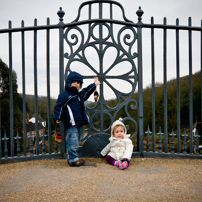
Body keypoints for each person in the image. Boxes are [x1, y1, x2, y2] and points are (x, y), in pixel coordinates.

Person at [53, 71, 101, 167]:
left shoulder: (79, 95)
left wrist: (94, 84)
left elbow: (87, 91)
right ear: (69, 82)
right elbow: (59, 106)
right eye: (75, 82)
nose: (77, 84)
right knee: (73, 140)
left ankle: (72, 157)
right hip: (71, 123)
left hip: (79, 122)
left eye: (79, 83)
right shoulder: (65, 95)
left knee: (76, 140)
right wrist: (57, 117)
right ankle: (73, 159)